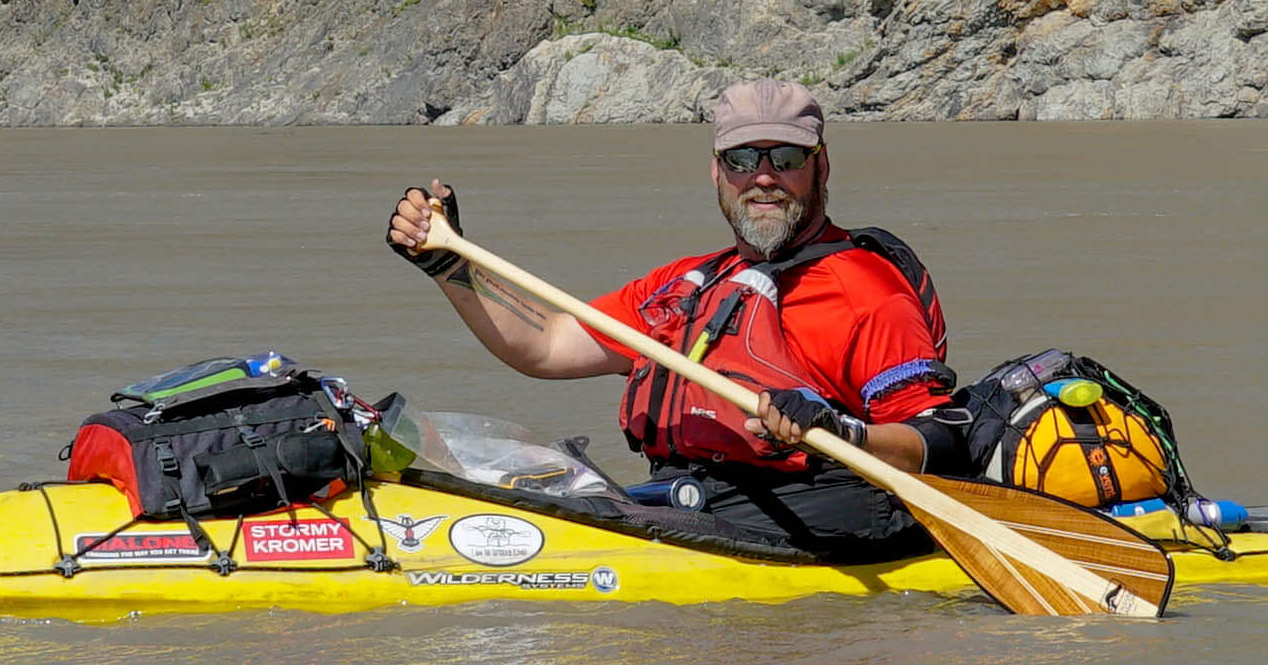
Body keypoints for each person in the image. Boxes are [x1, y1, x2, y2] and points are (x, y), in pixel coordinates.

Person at [385, 79, 973, 560]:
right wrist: (450, 263)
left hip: (820, 516)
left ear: (821, 168)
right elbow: (547, 346)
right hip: (695, 498)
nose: (764, 176)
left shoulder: (866, 293)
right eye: (743, 159)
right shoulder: (687, 285)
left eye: (787, 158)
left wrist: (838, 432)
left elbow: (939, 443)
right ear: (718, 172)